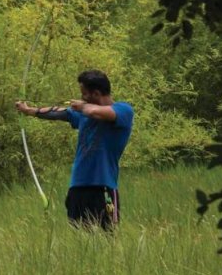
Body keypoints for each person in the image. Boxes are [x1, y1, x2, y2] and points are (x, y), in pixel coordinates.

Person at [15, 70, 134, 230]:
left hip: (103, 188)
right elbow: (58, 112)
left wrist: (83, 106)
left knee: (107, 239)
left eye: (84, 93)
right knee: (79, 239)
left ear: (96, 93)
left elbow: (94, 111)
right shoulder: (83, 114)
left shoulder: (123, 110)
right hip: (78, 188)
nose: (82, 97)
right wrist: (30, 111)